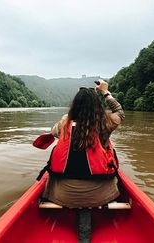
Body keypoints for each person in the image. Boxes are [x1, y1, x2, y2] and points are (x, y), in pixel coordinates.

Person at [40, 79, 124, 242]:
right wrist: (106, 93)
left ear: (75, 106)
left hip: (63, 195)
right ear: (97, 107)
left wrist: (67, 118)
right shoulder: (105, 123)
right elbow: (120, 112)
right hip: (100, 195)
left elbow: (53, 132)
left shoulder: (64, 123)